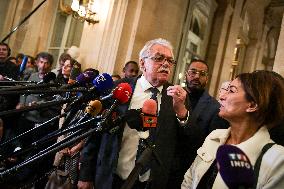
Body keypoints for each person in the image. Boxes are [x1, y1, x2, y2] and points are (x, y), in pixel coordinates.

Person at [77, 38, 187, 189]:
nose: (166, 64)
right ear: (142, 63)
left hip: (151, 182)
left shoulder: (177, 98)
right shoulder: (118, 89)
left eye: (170, 60)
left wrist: (181, 112)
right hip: (112, 177)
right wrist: (86, 175)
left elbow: (184, 142)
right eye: (159, 58)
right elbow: (95, 133)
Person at [182, 70, 284, 189]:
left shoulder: (277, 160)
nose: (221, 96)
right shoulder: (214, 137)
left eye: (231, 90)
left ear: (252, 105)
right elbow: (188, 181)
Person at [167, 59, 229, 188]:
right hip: (162, 165)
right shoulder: (170, 96)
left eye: (202, 74)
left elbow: (210, 147)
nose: (196, 76)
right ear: (186, 74)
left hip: (188, 171)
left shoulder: (215, 108)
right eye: (193, 72)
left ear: (207, 78)